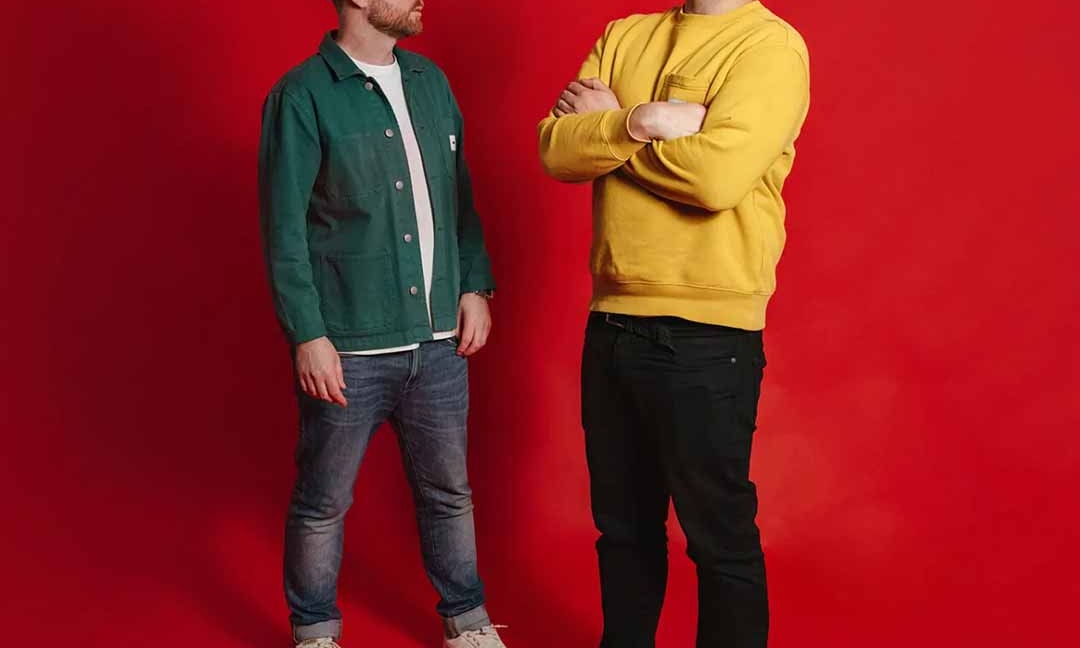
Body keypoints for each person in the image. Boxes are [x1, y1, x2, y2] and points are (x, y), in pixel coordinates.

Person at [537, 1, 810, 646]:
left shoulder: (769, 46)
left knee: (718, 535)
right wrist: (645, 120)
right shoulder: (624, 34)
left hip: (707, 331)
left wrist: (609, 130)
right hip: (611, 319)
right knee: (622, 529)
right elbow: (556, 150)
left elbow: (716, 179)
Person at [258, 1, 505, 646]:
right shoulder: (302, 95)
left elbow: (460, 198)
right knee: (323, 501)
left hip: (439, 340)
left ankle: (468, 623)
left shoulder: (430, 82)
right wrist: (308, 335)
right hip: (349, 345)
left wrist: (474, 285)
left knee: (450, 493)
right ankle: (315, 631)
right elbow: (284, 231)